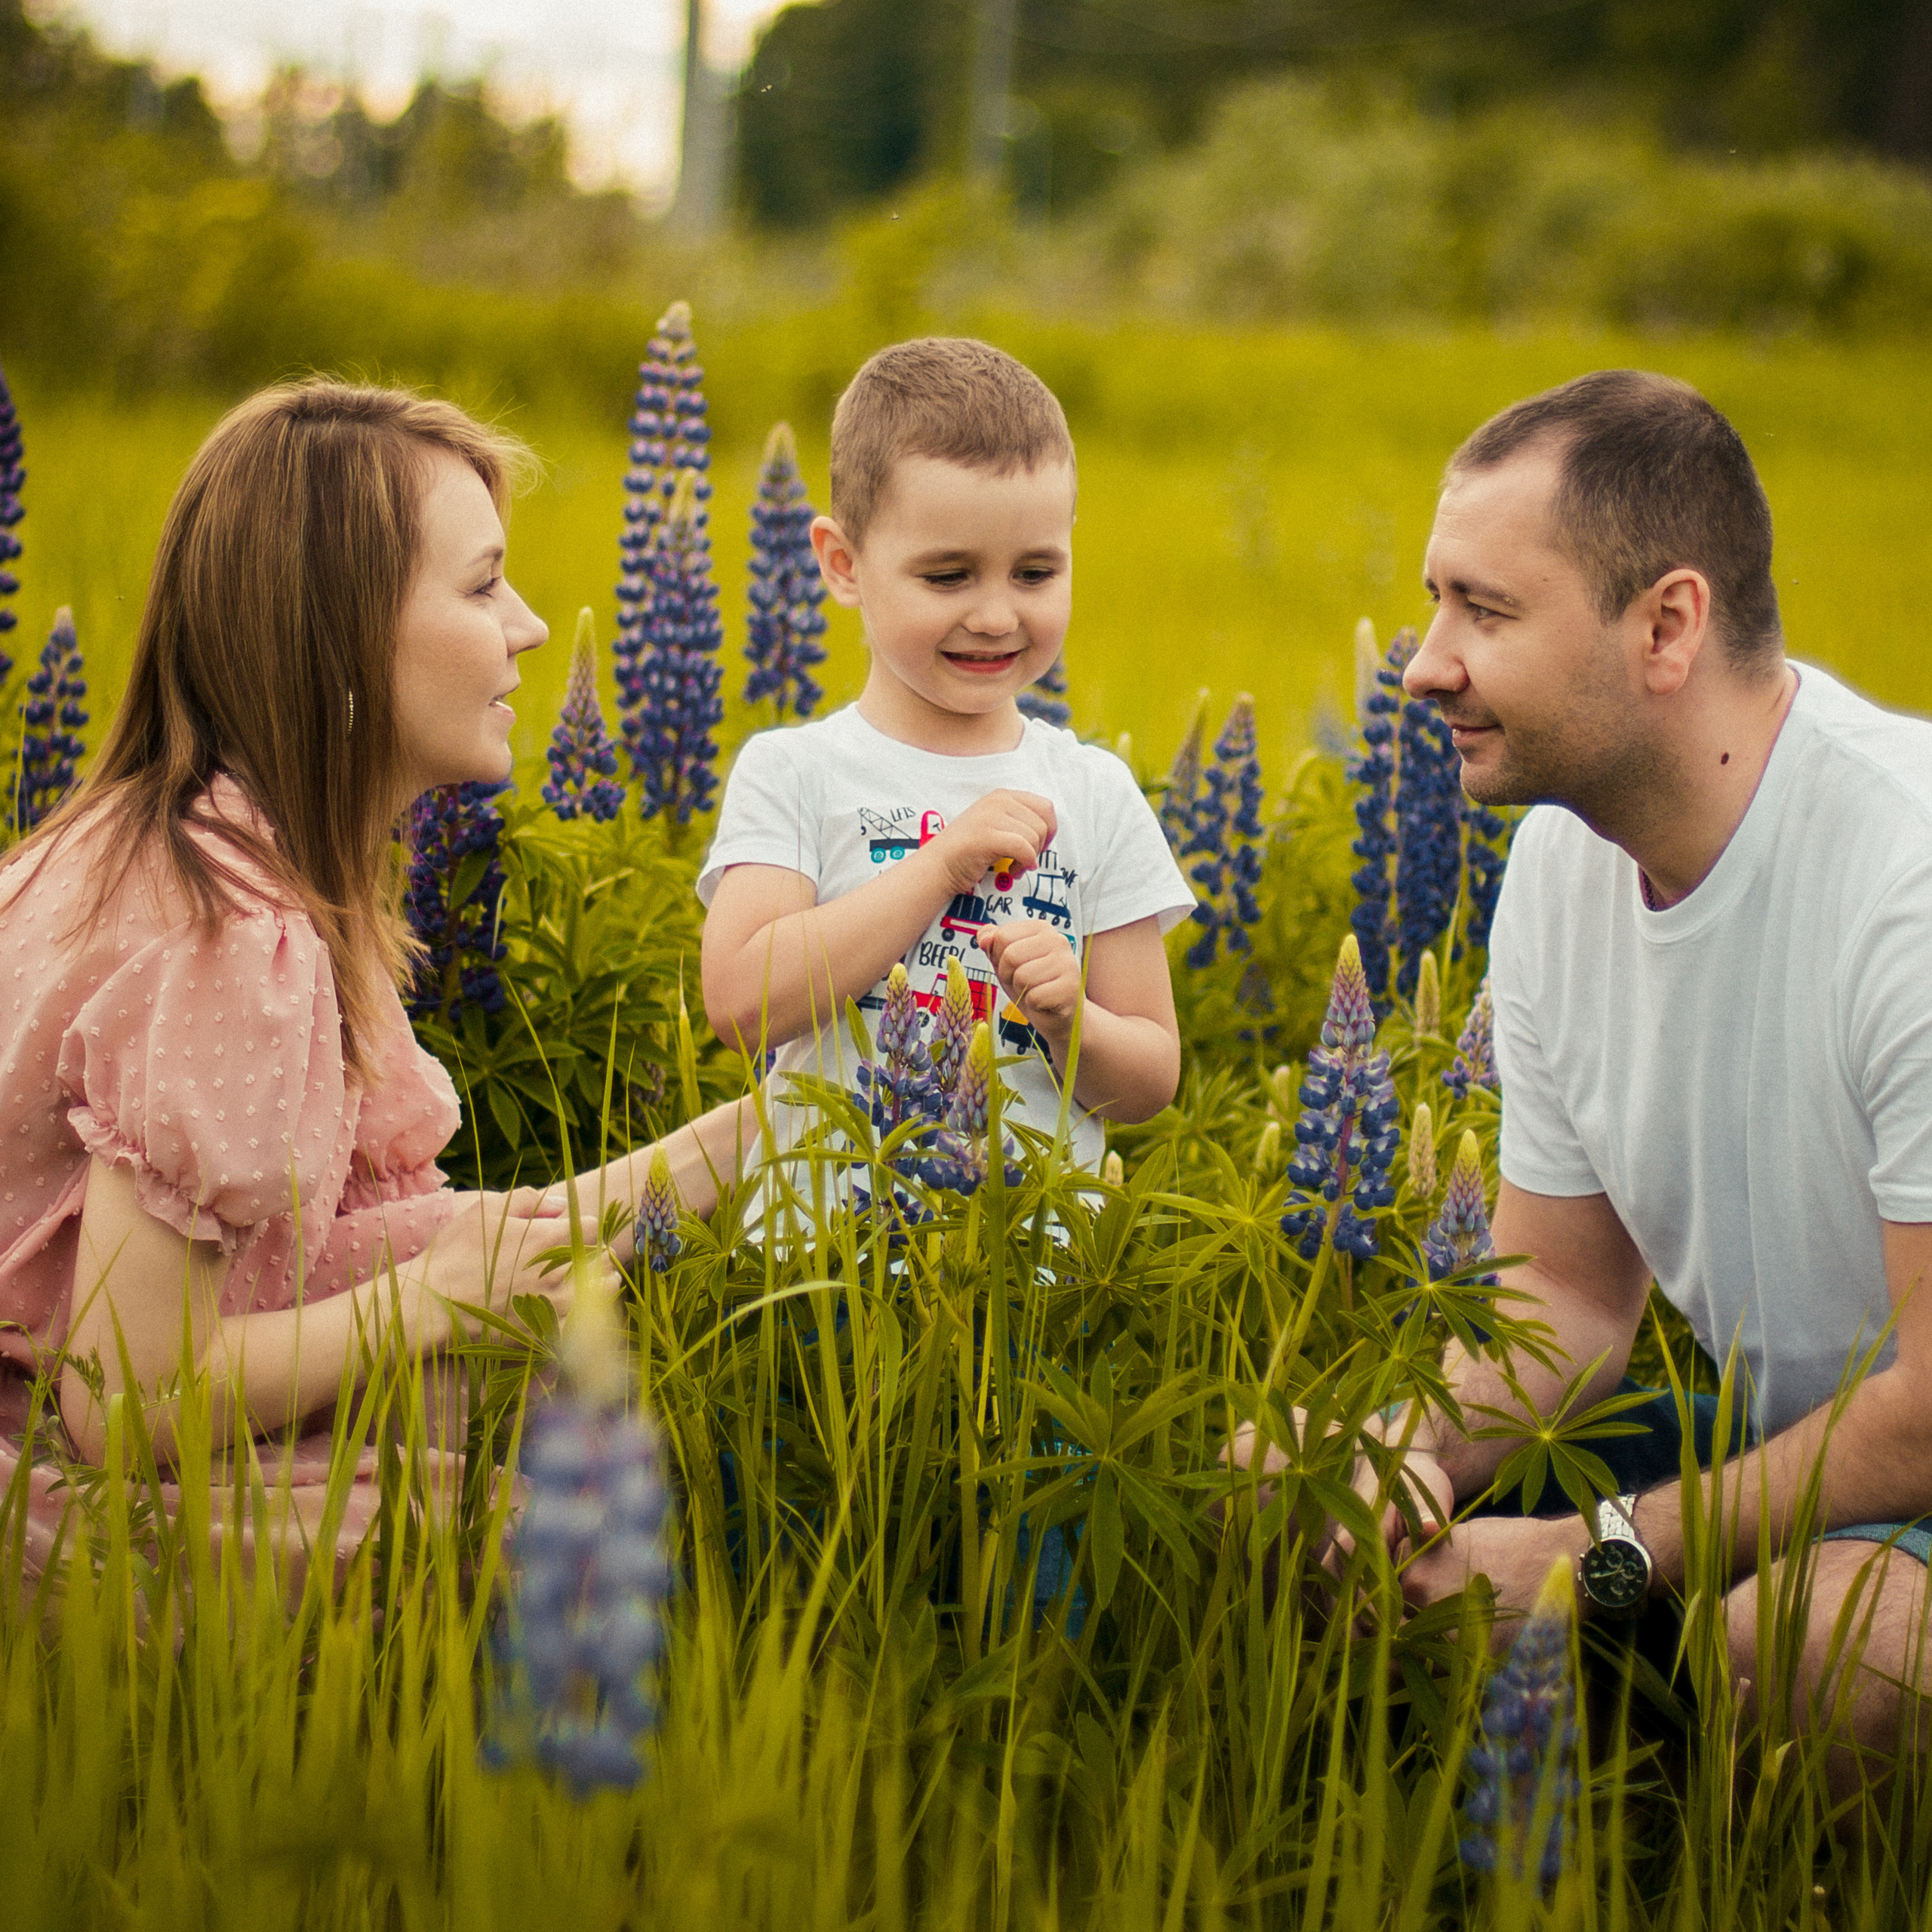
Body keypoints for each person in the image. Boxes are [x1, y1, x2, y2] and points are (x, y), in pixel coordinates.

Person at [1241, 370, 1932, 1779]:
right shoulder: (1565, 861)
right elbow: (1563, 1295)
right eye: (1437, 602)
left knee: (1816, 1650)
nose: (1423, 662)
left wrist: (1586, 1557)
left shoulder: (1904, 882)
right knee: (1287, 1483)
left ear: (1667, 626)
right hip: (1806, 1437)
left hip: (1906, 1454)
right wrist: (1411, 1455)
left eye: (1484, 612)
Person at [0, 380, 749, 1586]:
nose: (531, 628)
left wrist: (762, 1133)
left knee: (487, 1342)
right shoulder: (227, 944)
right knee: (515, 1529)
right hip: (43, 1477)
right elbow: (123, 1402)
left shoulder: (173, 846)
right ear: (344, 636)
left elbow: (429, 1246)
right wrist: (432, 1301)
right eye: (481, 584)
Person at [699, 337, 1193, 1204]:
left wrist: (1072, 1018)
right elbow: (741, 1003)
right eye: (948, 574)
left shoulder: (1094, 792)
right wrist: (937, 865)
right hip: (826, 1266)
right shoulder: (795, 771)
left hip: (1030, 1277)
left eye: (1035, 571)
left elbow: (1149, 1082)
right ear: (842, 564)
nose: (996, 613)